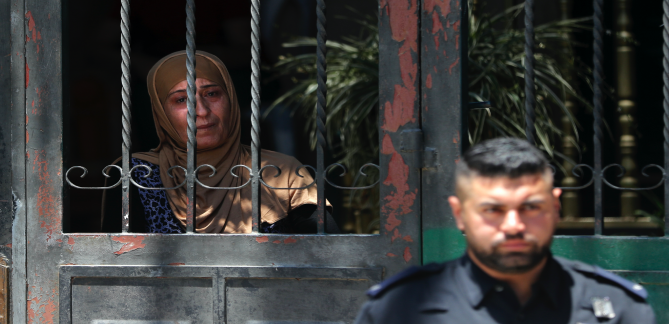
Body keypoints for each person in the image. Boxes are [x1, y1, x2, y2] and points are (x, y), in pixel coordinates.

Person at [355, 137, 655, 324]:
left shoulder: (616, 310)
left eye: (530, 207)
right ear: (460, 214)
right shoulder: (398, 310)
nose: (514, 226)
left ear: (555, 207)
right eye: (492, 211)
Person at [103, 50, 338, 234]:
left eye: (212, 94)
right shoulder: (136, 176)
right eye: (181, 99)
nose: (202, 111)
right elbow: (114, 269)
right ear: (161, 113)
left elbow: (326, 256)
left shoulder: (280, 172)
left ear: (231, 99)